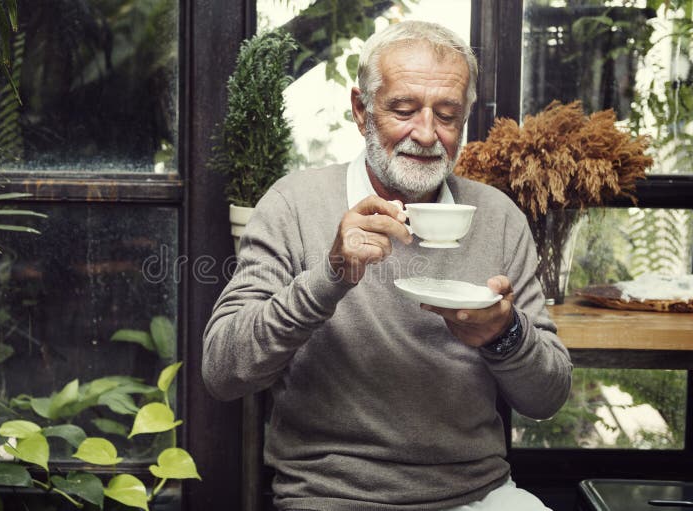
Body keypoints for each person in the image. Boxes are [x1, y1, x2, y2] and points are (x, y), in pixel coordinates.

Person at [203, 20, 572, 511]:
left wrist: (504, 334)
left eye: (447, 114)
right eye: (403, 109)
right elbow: (223, 371)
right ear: (361, 110)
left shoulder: (498, 216)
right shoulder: (294, 205)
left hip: (478, 494)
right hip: (332, 496)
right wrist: (328, 277)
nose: (426, 134)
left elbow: (547, 398)